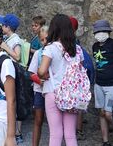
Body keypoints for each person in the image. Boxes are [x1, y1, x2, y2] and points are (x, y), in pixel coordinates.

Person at [38, 14, 81, 146]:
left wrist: (44, 75)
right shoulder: (77, 49)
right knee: (70, 134)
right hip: (71, 94)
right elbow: (79, 71)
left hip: (53, 91)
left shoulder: (50, 48)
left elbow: (41, 71)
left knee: (55, 134)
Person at [0, 13, 24, 143]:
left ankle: (17, 133)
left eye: (2, 25)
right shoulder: (9, 38)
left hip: (15, 73)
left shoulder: (15, 39)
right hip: (9, 71)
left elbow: (17, 56)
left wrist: (5, 47)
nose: (1, 26)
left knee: (14, 100)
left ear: (8, 27)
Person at [28, 26, 48, 146]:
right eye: (42, 40)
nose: (44, 42)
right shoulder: (38, 54)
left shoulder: (56, 52)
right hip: (40, 91)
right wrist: (39, 81)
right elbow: (31, 73)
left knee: (53, 121)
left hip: (52, 92)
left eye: (47, 39)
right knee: (38, 119)